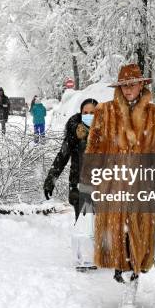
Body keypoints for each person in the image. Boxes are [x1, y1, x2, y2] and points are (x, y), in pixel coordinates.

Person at [85, 64, 155, 308]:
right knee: (117, 238)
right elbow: (93, 150)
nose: (128, 90)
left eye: (132, 84)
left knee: (138, 238)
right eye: (124, 85)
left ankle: (131, 287)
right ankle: (122, 273)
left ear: (142, 85)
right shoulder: (104, 112)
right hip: (112, 185)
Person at [43, 98, 99, 271]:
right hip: (79, 183)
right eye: (86, 113)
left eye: (93, 113)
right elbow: (62, 156)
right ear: (81, 114)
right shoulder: (75, 133)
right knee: (83, 221)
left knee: (96, 222)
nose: (89, 116)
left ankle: (93, 256)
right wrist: (51, 179)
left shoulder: (107, 131)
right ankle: (83, 259)